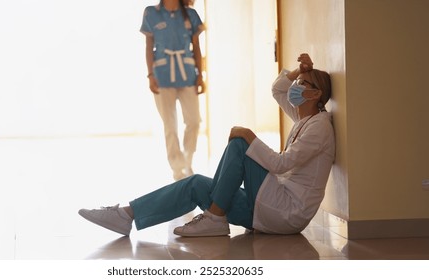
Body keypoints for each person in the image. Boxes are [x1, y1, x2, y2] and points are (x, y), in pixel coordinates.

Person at [79, 53, 335, 237]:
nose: (294, 87)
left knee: (238, 144)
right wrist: (297, 72)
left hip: (287, 211)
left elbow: (281, 165)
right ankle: (126, 215)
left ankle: (214, 217)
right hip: (268, 209)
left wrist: (248, 136)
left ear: (315, 94)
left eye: (301, 83)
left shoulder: (319, 126)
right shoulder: (305, 118)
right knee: (196, 183)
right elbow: (279, 89)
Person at [141, 0, 206, 181]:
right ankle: (178, 169)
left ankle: (187, 160)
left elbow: (197, 48)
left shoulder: (190, 15)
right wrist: (150, 75)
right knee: (170, 125)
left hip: (187, 75)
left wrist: (200, 75)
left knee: (193, 121)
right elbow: (148, 47)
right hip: (162, 75)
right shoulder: (151, 13)